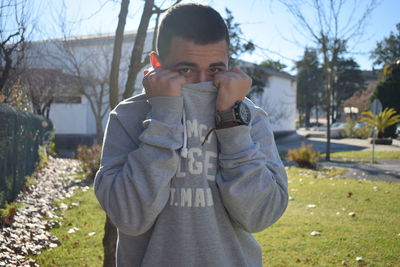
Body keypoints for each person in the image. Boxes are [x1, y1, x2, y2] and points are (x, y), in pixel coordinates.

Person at [94, 3, 288, 267]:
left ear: (229, 65)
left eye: (215, 70)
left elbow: (261, 216)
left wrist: (232, 122)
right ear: (156, 64)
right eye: (185, 70)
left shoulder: (249, 116)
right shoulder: (128, 117)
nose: (201, 82)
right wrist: (164, 115)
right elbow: (130, 217)